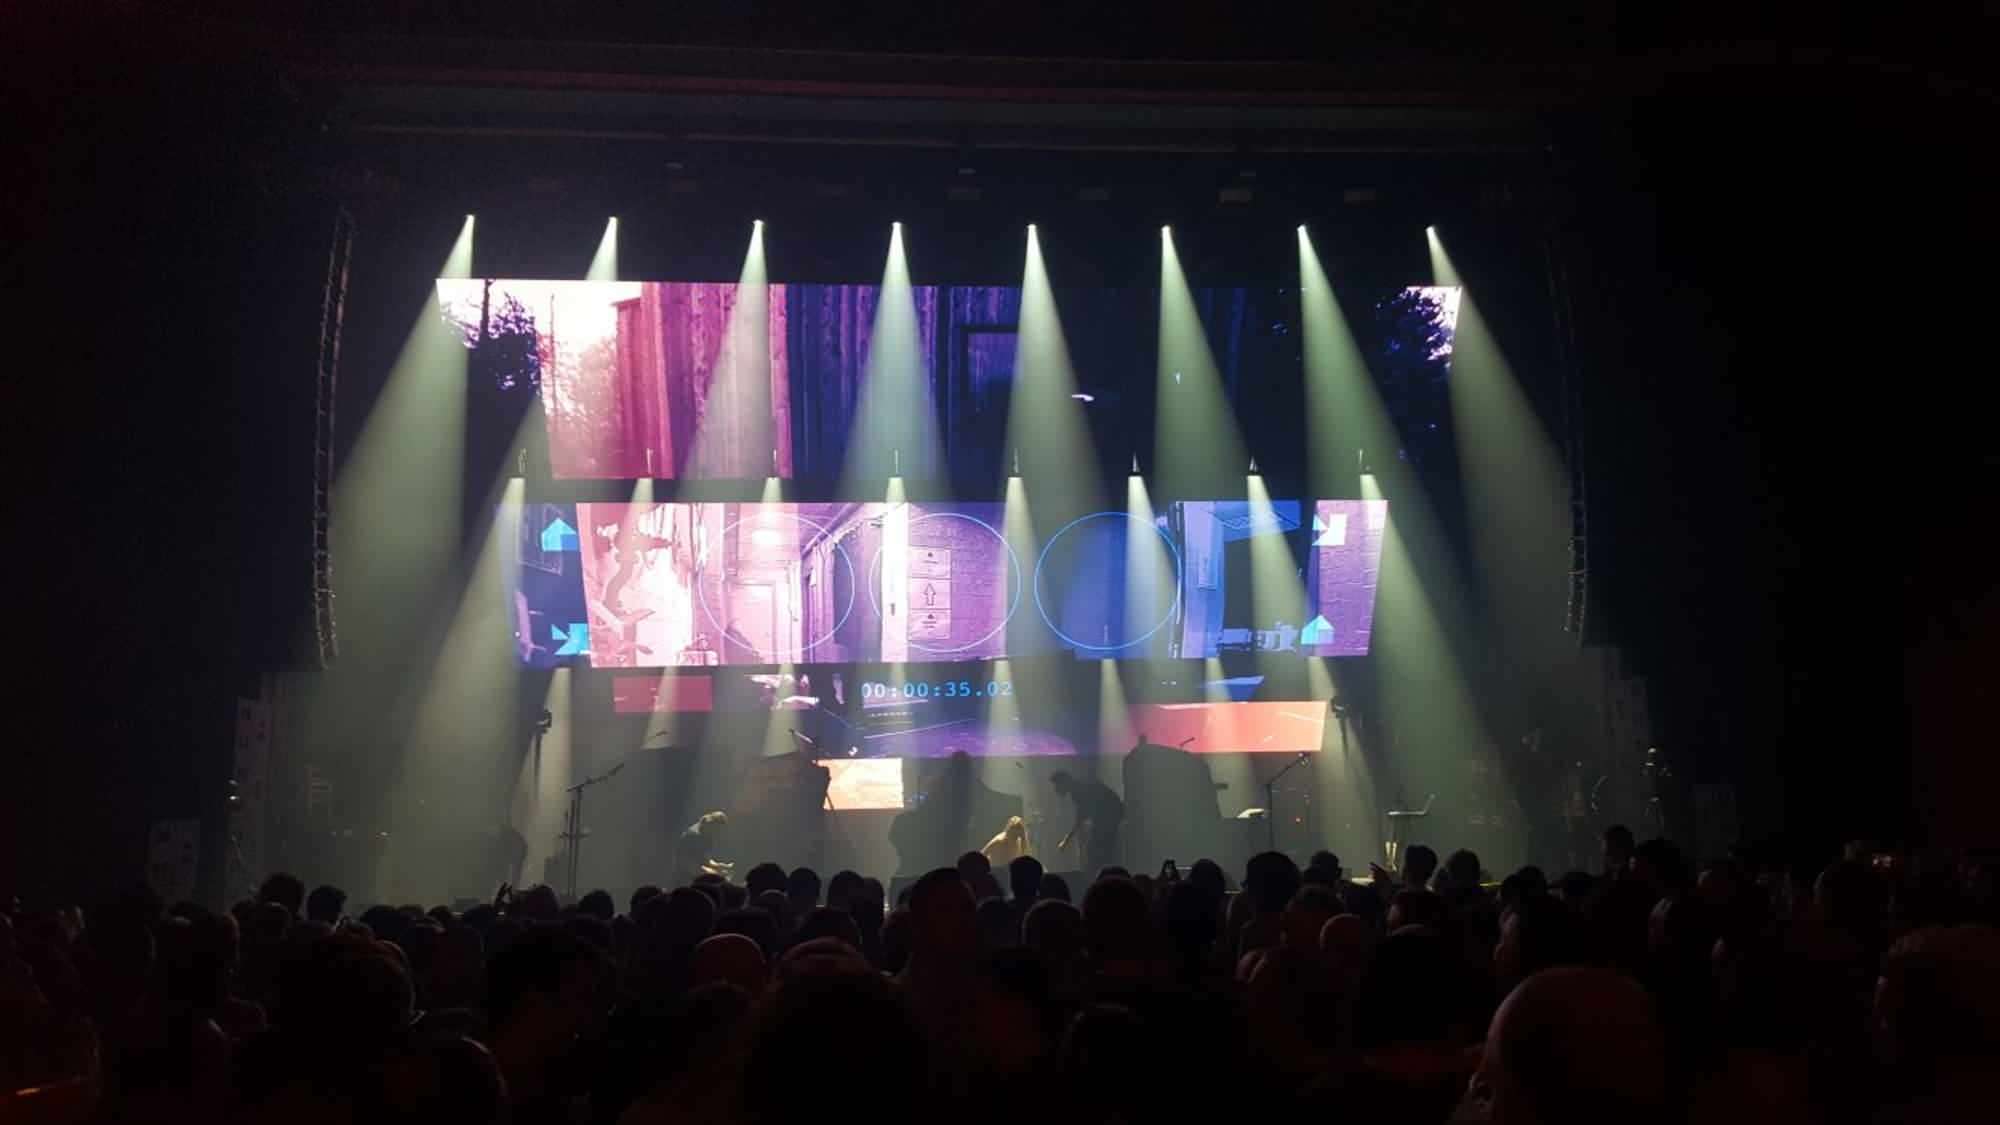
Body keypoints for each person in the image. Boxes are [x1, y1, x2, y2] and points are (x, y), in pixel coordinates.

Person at [1050, 770, 1123, 874]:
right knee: (1099, 854)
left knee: (1095, 855)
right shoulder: (1079, 787)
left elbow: (1080, 818)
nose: (1056, 790)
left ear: (1063, 782)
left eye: (1056, 786)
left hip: (1109, 818)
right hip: (1110, 817)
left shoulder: (1078, 790)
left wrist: (1066, 840)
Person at [676, 812, 731, 879]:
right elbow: (687, 864)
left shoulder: (708, 834)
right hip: (684, 880)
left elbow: (704, 859)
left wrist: (717, 865)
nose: (717, 834)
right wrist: (711, 872)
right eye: (717, 830)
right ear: (711, 824)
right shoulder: (692, 836)